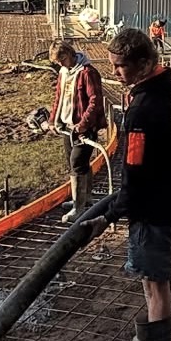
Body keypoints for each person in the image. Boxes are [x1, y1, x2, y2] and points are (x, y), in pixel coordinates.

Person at [105, 26, 171, 341]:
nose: (116, 72)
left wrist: (113, 210)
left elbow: (134, 169)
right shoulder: (167, 89)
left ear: (143, 63)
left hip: (153, 208)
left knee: (154, 284)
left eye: (121, 66)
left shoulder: (143, 110)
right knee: (158, 279)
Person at [47, 40, 107, 223]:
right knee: (75, 163)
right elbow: (59, 98)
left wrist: (82, 125)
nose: (59, 64)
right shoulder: (64, 73)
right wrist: (52, 120)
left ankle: (78, 207)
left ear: (70, 55)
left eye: (61, 60)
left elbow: (95, 101)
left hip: (84, 128)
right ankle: (84, 198)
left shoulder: (87, 73)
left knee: (77, 162)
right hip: (67, 127)